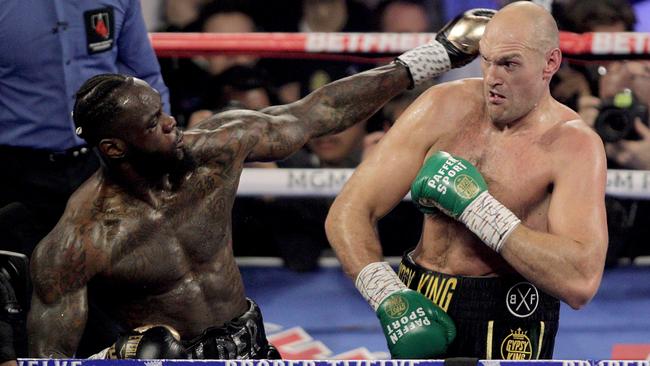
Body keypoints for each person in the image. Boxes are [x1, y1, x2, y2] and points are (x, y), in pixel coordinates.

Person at [26, 8, 495, 358]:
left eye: (162, 110)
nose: (171, 123)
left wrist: (434, 56)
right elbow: (48, 359)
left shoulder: (210, 151)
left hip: (249, 343)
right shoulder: (79, 242)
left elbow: (316, 113)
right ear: (113, 148)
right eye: (152, 123)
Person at [326, 1, 608, 360]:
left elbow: (580, 281)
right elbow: (349, 211)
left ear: (550, 63)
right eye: (487, 60)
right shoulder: (443, 106)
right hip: (420, 297)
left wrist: (478, 210)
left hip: (509, 313)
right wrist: (385, 293)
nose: (492, 77)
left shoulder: (573, 145)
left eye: (509, 64)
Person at [0, 0, 169, 258]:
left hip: (103, 165)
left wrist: (161, 153)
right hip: (15, 172)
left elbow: (143, 74)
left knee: (115, 284)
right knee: (20, 285)